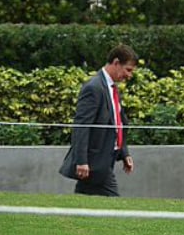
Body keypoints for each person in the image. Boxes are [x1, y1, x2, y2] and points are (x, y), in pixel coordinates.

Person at [58, 44, 137, 196]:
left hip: (106, 159)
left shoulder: (112, 88)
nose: (129, 75)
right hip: (95, 162)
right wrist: (81, 161)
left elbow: (117, 123)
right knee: (113, 207)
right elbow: (81, 126)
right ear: (116, 63)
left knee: (85, 200)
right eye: (128, 70)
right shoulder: (94, 87)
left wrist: (124, 153)